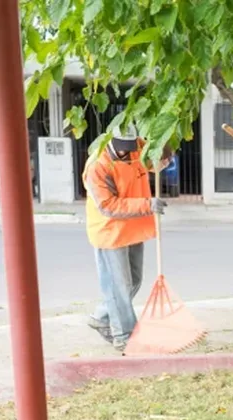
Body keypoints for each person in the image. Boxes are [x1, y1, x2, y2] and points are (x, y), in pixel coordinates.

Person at [83, 123, 171, 352]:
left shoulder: (136, 148)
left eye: (129, 146)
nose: (126, 151)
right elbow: (108, 206)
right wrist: (147, 204)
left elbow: (154, 164)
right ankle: (126, 336)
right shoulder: (97, 166)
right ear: (109, 139)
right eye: (121, 146)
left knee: (133, 281)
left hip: (132, 228)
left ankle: (102, 317)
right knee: (119, 287)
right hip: (109, 232)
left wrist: (166, 147)